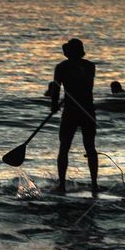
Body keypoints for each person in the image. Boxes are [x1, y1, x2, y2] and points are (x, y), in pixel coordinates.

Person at [49, 38, 97, 194]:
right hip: (88, 110)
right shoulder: (90, 66)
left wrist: (54, 105)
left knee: (64, 147)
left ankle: (62, 184)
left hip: (71, 111)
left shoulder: (61, 68)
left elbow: (56, 89)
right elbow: (85, 86)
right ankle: (94, 184)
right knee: (90, 147)